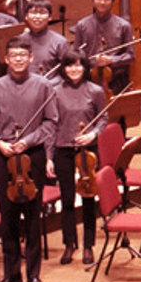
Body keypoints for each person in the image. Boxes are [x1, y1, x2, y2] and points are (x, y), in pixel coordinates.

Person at [0, 39, 55, 282]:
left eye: (23, 55)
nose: (18, 59)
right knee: (8, 215)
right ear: (6, 59)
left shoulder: (44, 86)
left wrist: (28, 141)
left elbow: (51, 121)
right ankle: (11, 274)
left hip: (33, 154)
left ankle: (33, 273)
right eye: (13, 55)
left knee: (32, 215)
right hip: (3, 154)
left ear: (31, 58)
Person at [50, 50, 106, 266]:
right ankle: (69, 243)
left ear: (85, 67)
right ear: (64, 68)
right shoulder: (54, 91)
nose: (74, 69)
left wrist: (93, 134)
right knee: (67, 198)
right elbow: (51, 123)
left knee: (89, 197)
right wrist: (49, 156)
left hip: (88, 151)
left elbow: (103, 119)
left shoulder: (96, 91)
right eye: (69, 65)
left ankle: (88, 245)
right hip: (63, 148)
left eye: (78, 65)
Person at [69, 0, 134, 93]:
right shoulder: (82, 25)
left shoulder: (124, 26)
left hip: (115, 79)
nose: (102, 2)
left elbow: (131, 56)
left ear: (113, 1)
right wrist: (92, 61)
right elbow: (76, 55)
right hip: (89, 77)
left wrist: (111, 60)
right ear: (93, 0)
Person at [14, 0, 68, 77]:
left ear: (50, 17)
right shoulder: (18, 41)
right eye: (33, 12)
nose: (38, 17)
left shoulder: (60, 42)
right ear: (26, 16)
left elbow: (66, 73)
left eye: (42, 13)